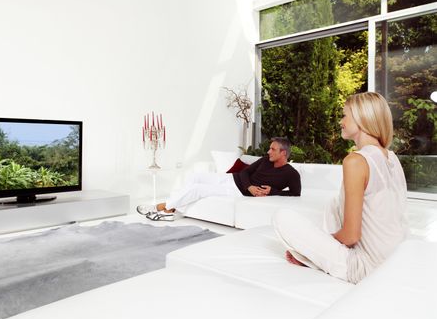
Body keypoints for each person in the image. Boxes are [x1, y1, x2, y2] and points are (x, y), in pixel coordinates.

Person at [273, 92, 408, 284]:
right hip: (395, 262)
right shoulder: (392, 158)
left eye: (345, 115)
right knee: (334, 204)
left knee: (281, 217)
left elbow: (351, 236)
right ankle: (317, 257)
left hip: (367, 268)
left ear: (362, 118)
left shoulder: (356, 160)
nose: (340, 122)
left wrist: (316, 248)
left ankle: (314, 259)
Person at [137, 137, 301, 221]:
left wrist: (274, 191)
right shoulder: (265, 160)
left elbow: (295, 193)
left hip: (236, 191)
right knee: (194, 176)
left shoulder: (291, 174)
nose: (268, 152)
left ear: (283, 153)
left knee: (197, 189)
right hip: (232, 179)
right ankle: (171, 210)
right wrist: (250, 186)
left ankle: (158, 207)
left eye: (272, 149)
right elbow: (244, 173)